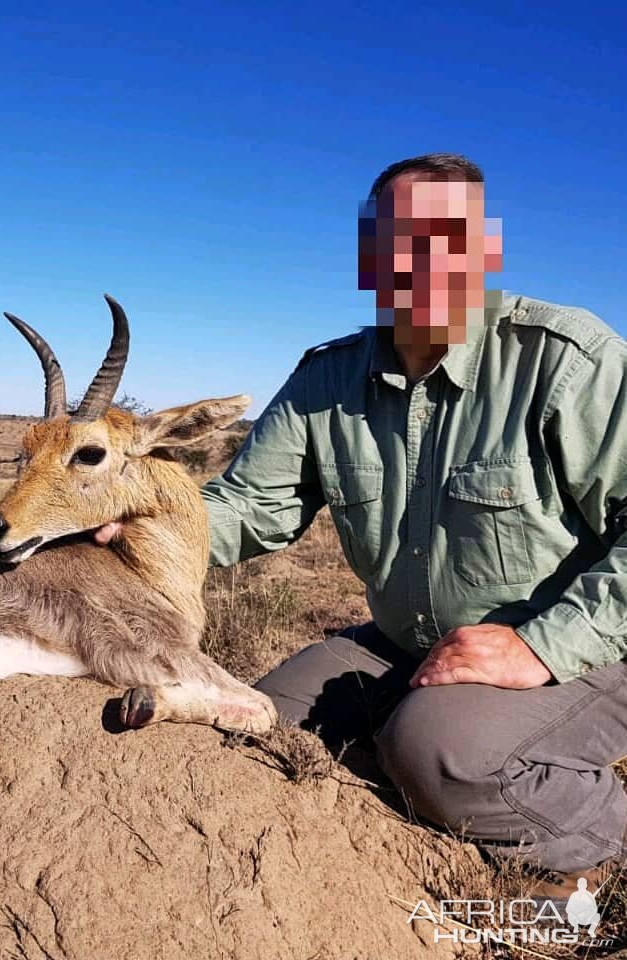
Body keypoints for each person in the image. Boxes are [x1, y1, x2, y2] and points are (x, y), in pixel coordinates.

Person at [98, 153, 625, 900]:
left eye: (454, 237)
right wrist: (136, 517)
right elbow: (251, 507)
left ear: (485, 251)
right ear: (370, 256)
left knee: (438, 751)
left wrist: (540, 646)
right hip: (408, 642)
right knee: (248, 726)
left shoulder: (567, 361)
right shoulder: (326, 380)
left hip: (585, 644)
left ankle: (601, 836)